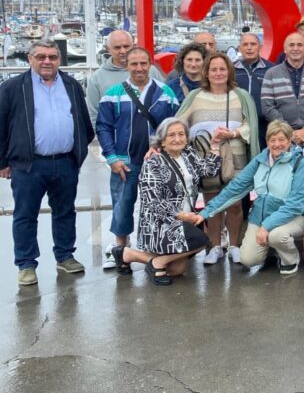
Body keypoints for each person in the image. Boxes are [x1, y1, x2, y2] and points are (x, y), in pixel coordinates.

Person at [0, 39, 94, 286]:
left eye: (52, 57)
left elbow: (84, 122)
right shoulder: (13, 88)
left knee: (65, 212)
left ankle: (65, 256)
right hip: (28, 165)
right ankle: (26, 264)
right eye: (40, 56)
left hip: (65, 163)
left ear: (59, 60)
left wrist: (79, 154)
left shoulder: (72, 85)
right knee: (25, 215)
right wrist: (2, 161)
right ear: (30, 59)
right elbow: (1, 127)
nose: (47, 61)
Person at [96, 47, 179, 270]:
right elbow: (103, 127)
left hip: (158, 161)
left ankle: (158, 248)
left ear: (150, 64)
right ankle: (120, 248)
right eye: (134, 64)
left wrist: (165, 151)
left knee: (159, 206)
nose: (139, 68)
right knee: (122, 205)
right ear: (127, 65)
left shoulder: (165, 93)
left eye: (143, 63)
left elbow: (173, 126)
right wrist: (112, 158)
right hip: (125, 160)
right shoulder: (113, 93)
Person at [195, 119, 304, 274]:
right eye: (272, 140)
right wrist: (205, 213)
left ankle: (290, 259)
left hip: (292, 218)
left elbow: (297, 203)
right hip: (260, 217)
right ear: (267, 141)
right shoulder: (260, 160)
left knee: (277, 236)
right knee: (248, 259)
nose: (277, 144)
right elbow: (235, 188)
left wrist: (267, 226)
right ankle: (271, 250)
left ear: (290, 140)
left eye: (282, 139)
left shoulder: (299, 163)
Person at [177, 52, 261, 264]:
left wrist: (232, 134)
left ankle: (234, 245)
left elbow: (251, 124)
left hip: (237, 158)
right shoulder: (195, 96)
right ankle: (214, 246)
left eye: (222, 69)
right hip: (207, 159)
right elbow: (179, 123)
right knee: (212, 204)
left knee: (234, 204)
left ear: (229, 71)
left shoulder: (241, 95)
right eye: (213, 69)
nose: (218, 73)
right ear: (206, 72)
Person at [114, 118, 219, 285]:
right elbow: (152, 201)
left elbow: (208, 170)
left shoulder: (188, 154)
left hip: (185, 220)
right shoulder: (153, 162)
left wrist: (215, 145)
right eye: (171, 135)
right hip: (161, 222)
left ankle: (128, 254)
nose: (177, 139)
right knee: (202, 240)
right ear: (162, 140)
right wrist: (180, 215)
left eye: (181, 134)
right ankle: (157, 262)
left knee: (177, 270)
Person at [262, 32, 304, 146]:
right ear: (285, 49)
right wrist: (287, 131)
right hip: (281, 136)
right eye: (291, 45)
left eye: (300, 45)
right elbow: (267, 107)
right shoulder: (271, 74)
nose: (295, 48)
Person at [86, 29, 165, 125]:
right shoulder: (97, 78)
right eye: (117, 47)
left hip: (152, 135)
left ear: (133, 46)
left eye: (126, 46)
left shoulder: (152, 71)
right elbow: (94, 114)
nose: (123, 51)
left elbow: (165, 101)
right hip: (117, 137)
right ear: (108, 49)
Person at [234, 31, 272, 143]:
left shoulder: (271, 69)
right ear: (239, 48)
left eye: (253, 44)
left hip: (264, 124)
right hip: (238, 124)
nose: (249, 48)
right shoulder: (230, 69)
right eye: (245, 45)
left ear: (260, 47)